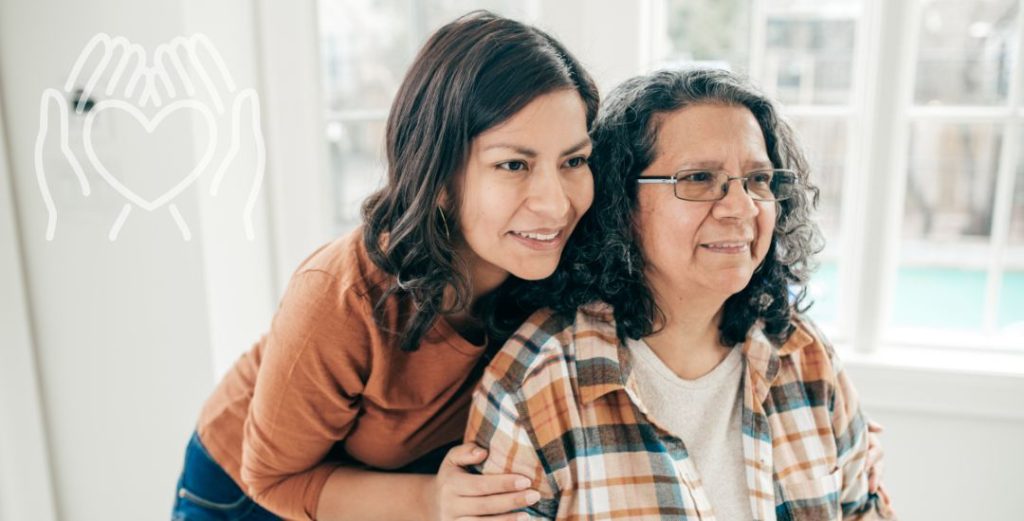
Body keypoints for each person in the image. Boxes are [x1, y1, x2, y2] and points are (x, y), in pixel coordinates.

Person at [171, 11, 599, 521]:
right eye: (513, 165)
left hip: (391, 484)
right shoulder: (339, 297)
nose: (556, 205)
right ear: (438, 176)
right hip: (250, 489)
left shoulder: (562, 268)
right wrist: (430, 500)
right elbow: (274, 478)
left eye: (573, 161)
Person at [467, 68, 895, 520]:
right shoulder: (534, 386)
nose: (742, 207)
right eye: (697, 179)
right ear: (622, 203)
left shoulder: (806, 356)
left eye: (759, 179)